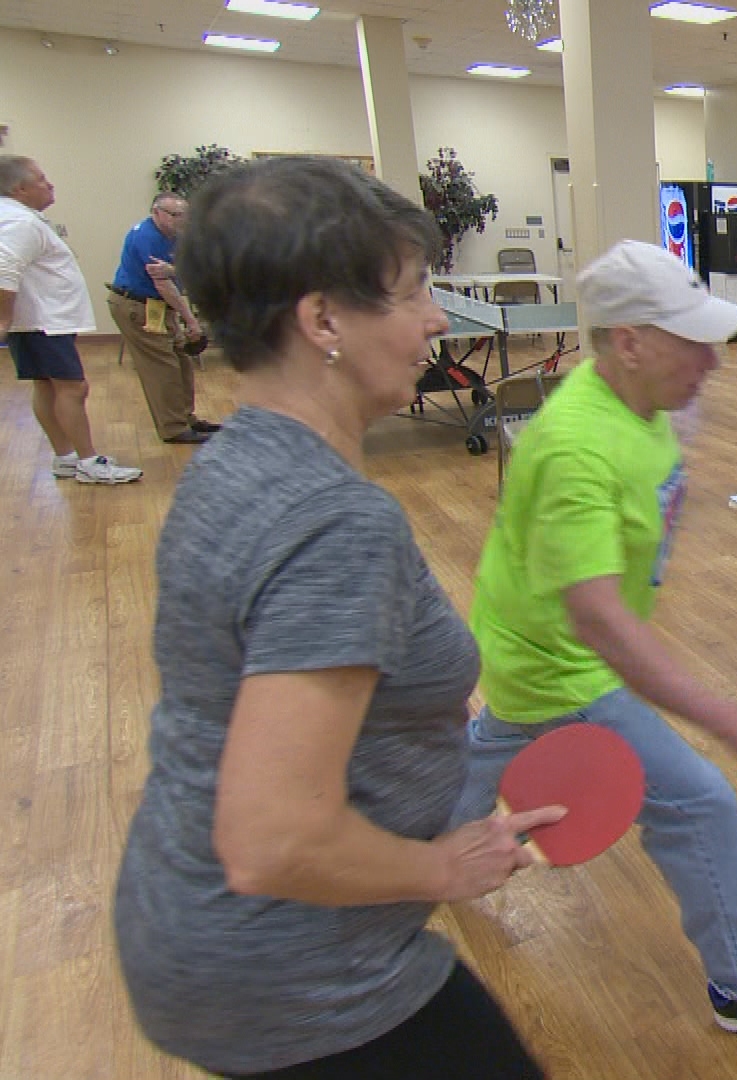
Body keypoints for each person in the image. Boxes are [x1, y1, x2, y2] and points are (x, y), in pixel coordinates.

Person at [113, 156, 560, 1080]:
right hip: (293, 971)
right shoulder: (336, 521)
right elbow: (273, 838)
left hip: (188, 926)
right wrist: (443, 869)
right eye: (413, 292)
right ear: (322, 320)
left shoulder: (230, 461)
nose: (438, 318)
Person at [453, 239, 737, 1043]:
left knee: (492, 748)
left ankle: (432, 844)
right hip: (563, 666)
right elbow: (597, 618)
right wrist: (733, 721)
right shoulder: (576, 447)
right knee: (699, 802)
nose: (714, 360)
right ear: (628, 343)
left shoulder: (643, 402)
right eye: (693, 340)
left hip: (536, 647)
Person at [0, 155, 142, 484]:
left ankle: (66, 458)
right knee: (73, 389)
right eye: (41, 180)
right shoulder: (19, 222)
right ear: (19, 189)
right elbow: (4, 268)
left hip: (40, 321)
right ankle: (89, 462)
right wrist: (3, 319)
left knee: (47, 386)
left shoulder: (19, 217)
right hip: (43, 322)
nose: (50, 185)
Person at [107, 191, 222, 444]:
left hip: (159, 307)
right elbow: (164, 285)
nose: (181, 220)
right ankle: (173, 428)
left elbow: (192, 267)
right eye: (174, 215)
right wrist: (191, 321)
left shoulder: (173, 235)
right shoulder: (148, 237)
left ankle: (186, 418)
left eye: (184, 215)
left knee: (181, 361)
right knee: (163, 367)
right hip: (139, 307)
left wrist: (175, 270)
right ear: (156, 213)